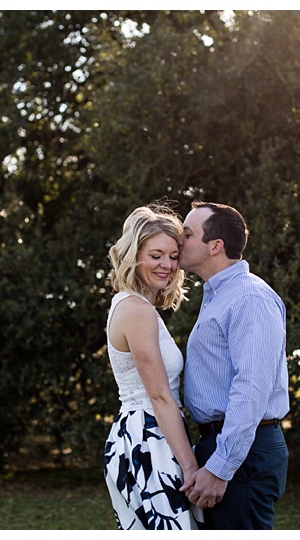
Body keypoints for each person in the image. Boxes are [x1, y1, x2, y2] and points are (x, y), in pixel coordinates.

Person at [178, 201, 290, 530]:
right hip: (226, 445)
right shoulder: (219, 295)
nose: (178, 240)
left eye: (187, 234)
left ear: (215, 246)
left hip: (243, 450)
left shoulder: (248, 298)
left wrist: (220, 467)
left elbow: (252, 388)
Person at [103, 203, 203, 530]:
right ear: (135, 254)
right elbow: (160, 397)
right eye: (156, 254)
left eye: (174, 256)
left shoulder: (136, 305)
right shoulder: (136, 309)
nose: (167, 265)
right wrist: (190, 468)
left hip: (149, 434)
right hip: (148, 439)